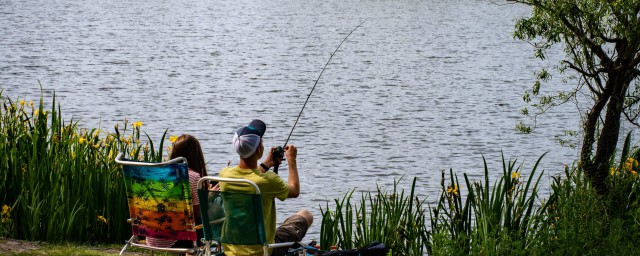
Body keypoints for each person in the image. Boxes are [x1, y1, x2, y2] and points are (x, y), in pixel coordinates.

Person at [219, 119, 313, 256]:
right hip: (263, 250)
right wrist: (292, 160)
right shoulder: (268, 180)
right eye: (261, 142)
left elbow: (250, 177)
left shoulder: (224, 175)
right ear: (259, 149)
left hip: (231, 249)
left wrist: (267, 163)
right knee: (306, 214)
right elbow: (294, 190)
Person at [146, 134, 206, 248]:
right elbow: (199, 213)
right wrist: (209, 197)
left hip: (152, 237)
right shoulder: (192, 177)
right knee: (207, 220)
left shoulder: (158, 174)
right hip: (175, 239)